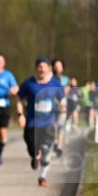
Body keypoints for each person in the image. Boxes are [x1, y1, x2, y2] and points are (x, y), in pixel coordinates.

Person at [17, 57, 66, 186]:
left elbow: (62, 99)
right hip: (32, 122)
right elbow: (18, 98)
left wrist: (62, 106)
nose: (42, 69)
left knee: (47, 151)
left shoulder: (55, 83)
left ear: (49, 68)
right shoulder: (29, 83)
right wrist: (20, 114)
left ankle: (43, 176)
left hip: (48, 123)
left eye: (44, 66)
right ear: (36, 68)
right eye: (39, 66)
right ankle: (34, 155)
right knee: (32, 148)